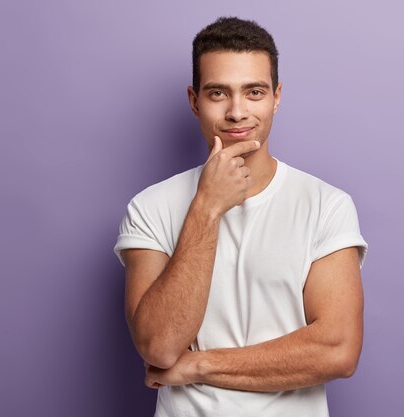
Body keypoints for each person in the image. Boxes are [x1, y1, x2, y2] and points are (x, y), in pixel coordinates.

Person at [113, 17, 368, 416]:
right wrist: (207, 206)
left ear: (276, 97)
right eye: (218, 93)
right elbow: (159, 346)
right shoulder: (151, 207)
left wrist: (198, 365)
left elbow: (337, 351)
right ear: (195, 100)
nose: (237, 112)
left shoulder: (326, 205)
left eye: (254, 92)